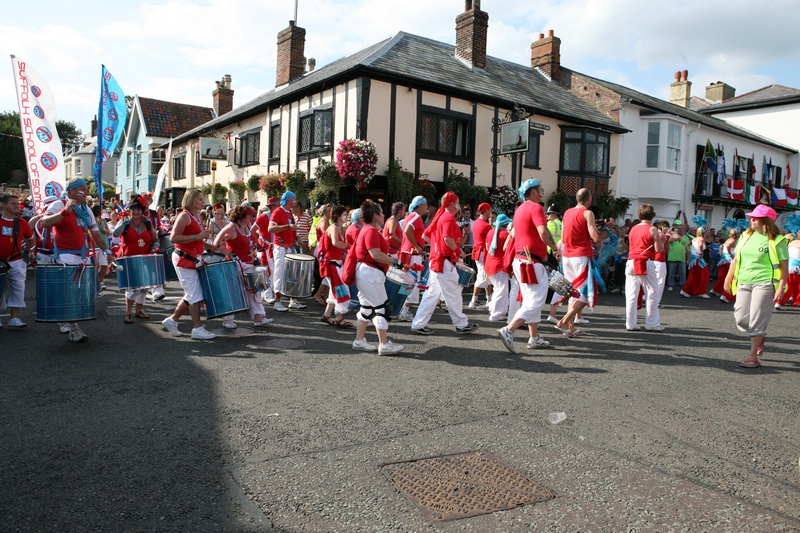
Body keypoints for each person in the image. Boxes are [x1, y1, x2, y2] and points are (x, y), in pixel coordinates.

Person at [42, 179, 112, 342]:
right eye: (82, 189)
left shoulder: (86, 210)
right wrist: (65, 211)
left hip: (83, 256)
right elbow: (45, 223)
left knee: (79, 293)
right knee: (71, 292)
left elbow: (95, 234)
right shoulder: (59, 205)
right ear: (71, 191)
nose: (86, 192)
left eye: (87, 189)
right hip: (65, 256)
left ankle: (67, 319)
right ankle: (73, 328)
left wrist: (107, 251)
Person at [497, 179, 559, 353]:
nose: (542, 193)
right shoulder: (536, 208)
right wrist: (554, 248)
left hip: (521, 259)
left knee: (531, 298)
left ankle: (534, 337)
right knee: (536, 299)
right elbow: (543, 231)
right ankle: (509, 330)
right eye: (540, 190)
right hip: (531, 261)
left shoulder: (519, 210)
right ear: (533, 192)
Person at [724, 204, 788, 369]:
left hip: (765, 282)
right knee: (741, 319)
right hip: (744, 281)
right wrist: (727, 278)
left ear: (766, 220)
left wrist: (781, 286)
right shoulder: (745, 236)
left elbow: (784, 267)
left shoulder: (778, 240)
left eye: (755, 217)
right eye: (751, 217)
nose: (751, 219)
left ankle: (752, 356)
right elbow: (736, 259)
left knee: (757, 318)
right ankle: (759, 335)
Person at [410, 192, 480, 336]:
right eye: (458, 202)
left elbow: (425, 236)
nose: (459, 205)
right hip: (444, 262)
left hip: (438, 261)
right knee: (453, 293)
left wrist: (438, 247)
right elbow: (448, 238)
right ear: (453, 203)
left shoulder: (440, 216)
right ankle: (461, 324)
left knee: (431, 295)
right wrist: (458, 250)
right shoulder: (448, 217)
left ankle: (418, 324)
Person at [161, 189, 222, 340]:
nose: (203, 201)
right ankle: (197, 328)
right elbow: (174, 238)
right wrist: (198, 236)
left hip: (192, 257)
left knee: (192, 293)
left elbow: (197, 239)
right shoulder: (184, 216)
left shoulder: (196, 216)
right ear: (191, 200)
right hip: (184, 258)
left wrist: (209, 246)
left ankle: (173, 320)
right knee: (195, 294)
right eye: (200, 199)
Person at [351, 200, 404, 355]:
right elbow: (376, 254)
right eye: (381, 213)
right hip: (370, 274)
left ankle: (359, 341)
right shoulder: (370, 231)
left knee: (367, 309)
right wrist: (395, 262)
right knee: (382, 309)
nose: (384, 215)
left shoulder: (368, 230)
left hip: (367, 273)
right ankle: (384, 344)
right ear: (375, 216)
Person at [213, 203, 274, 328]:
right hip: (235, 265)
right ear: (241, 216)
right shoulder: (231, 228)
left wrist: (257, 246)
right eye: (249, 216)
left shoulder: (246, 226)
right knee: (234, 291)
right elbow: (217, 243)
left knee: (254, 290)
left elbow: (252, 239)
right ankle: (228, 320)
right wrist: (230, 254)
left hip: (249, 263)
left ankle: (258, 317)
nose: (251, 218)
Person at [555, 188, 606, 336]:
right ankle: (564, 321)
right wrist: (606, 232)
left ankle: (570, 327)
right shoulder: (587, 213)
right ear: (589, 200)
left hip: (568, 256)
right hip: (581, 255)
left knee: (574, 292)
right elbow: (596, 237)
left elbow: (563, 238)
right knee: (585, 294)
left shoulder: (567, 213)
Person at [113, 196, 159, 324]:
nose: (136, 212)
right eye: (133, 210)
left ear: (142, 211)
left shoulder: (148, 223)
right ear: (130, 211)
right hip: (129, 259)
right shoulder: (125, 222)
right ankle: (128, 313)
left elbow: (156, 240)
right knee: (132, 288)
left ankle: (139, 311)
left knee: (144, 287)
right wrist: (123, 223)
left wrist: (155, 249)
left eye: (138, 209)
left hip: (145, 258)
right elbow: (115, 234)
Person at [624, 204, 664, 331]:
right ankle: (652, 323)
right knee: (651, 292)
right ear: (652, 215)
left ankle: (630, 323)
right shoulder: (652, 229)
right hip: (646, 261)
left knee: (631, 294)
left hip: (631, 261)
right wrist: (661, 241)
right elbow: (658, 249)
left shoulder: (633, 229)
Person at [0, 194, 36, 328]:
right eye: (13, 203)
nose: (17, 206)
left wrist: (32, 251)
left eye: (17, 203)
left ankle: (14, 318)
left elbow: (30, 238)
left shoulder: (21, 222)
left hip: (16, 260)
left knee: (18, 288)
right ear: (4, 205)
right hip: (0, 262)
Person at [268, 191, 307, 312]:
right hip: (280, 247)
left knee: (292, 274)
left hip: (290, 246)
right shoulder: (278, 212)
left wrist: (297, 237)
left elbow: (290, 228)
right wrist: (287, 227)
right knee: (279, 274)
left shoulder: (289, 212)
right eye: (294, 200)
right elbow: (271, 229)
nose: (295, 202)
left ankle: (292, 300)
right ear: (288, 200)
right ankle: (277, 302)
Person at [319, 206, 352, 328]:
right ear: (338, 216)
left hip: (335, 263)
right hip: (331, 264)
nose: (347, 216)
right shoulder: (333, 228)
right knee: (339, 290)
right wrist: (349, 246)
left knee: (335, 292)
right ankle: (339, 318)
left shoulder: (338, 228)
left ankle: (327, 315)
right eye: (344, 214)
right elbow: (335, 242)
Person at [396, 196, 428, 322]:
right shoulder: (415, 216)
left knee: (408, 282)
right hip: (412, 254)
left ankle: (402, 310)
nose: (427, 207)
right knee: (412, 282)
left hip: (408, 253)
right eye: (425, 205)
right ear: (420, 206)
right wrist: (417, 246)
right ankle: (404, 311)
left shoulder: (410, 216)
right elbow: (409, 230)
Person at [484, 214, 512, 322]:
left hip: (489, 263)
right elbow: (508, 250)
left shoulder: (490, 232)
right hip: (500, 264)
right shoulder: (506, 234)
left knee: (497, 289)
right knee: (501, 290)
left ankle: (493, 309)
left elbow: (487, 247)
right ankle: (497, 314)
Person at [254, 197, 280, 303]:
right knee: (268, 271)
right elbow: (252, 230)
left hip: (274, 247)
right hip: (265, 248)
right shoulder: (263, 217)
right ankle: (266, 294)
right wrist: (258, 243)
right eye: (278, 205)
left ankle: (272, 291)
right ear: (273, 206)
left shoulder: (277, 216)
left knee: (274, 271)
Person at [468, 202, 493, 309]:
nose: (491, 212)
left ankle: (489, 300)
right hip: (483, 252)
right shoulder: (486, 226)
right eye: (490, 210)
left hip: (478, 252)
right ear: (486, 211)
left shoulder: (477, 222)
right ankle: (474, 300)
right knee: (483, 277)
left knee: (485, 276)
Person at [680, 219, 711, 298]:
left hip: (693, 259)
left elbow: (687, 244)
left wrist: (690, 251)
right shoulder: (701, 239)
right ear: (703, 232)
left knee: (693, 275)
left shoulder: (694, 238)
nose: (708, 232)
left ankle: (686, 290)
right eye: (707, 230)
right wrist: (701, 253)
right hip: (698, 259)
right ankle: (701, 291)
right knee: (705, 275)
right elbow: (700, 245)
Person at [777, 214, 800, 308]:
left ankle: (780, 301)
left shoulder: (791, 243)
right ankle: (796, 301)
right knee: (797, 286)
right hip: (797, 268)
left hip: (789, 267)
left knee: (789, 285)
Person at [91, 204, 111, 293]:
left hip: (103, 246)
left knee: (104, 265)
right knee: (93, 266)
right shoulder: (90, 220)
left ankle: (101, 281)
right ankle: (93, 282)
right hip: (93, 247)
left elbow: (108, 232)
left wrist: (101, 227)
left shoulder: (103, 221)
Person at [666, 219, 690, 291]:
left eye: (681, 229)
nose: (680, 230)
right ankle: (671, 285)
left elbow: (687, 250)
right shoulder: (673, 237)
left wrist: (688, 259)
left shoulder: (686, 238)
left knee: (683, 274)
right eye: (678, 229)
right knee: (671, 273)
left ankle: (683, 286)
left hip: (682, 258)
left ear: (684, 230)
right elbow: (667, 234)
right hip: (672, 257)